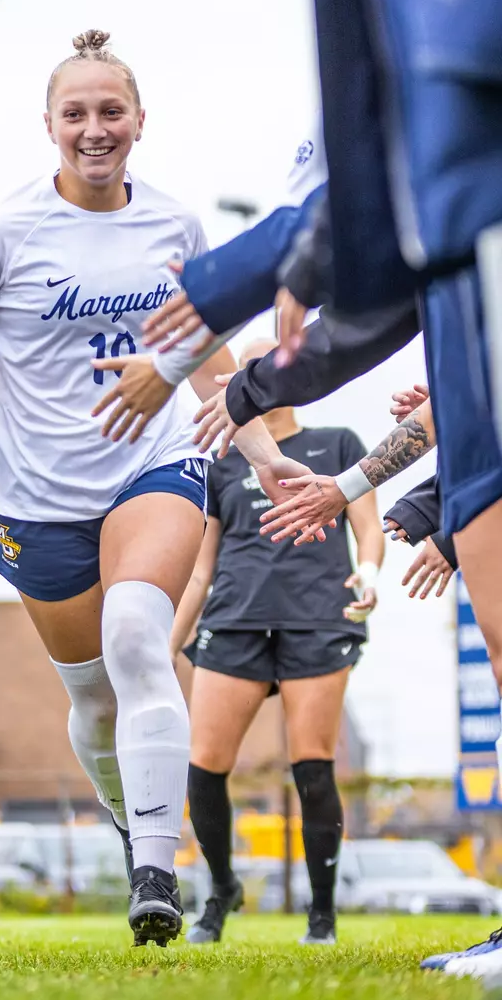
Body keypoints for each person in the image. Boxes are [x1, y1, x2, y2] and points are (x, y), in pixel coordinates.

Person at [0, 29, 308, 946]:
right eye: (75, 113)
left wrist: (264, 451)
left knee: (137, 634)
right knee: (94, 698)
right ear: (48, 126)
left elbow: (204, 352)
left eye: (111, 111)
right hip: (35, 490)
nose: (94, 128)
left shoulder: (175, 226)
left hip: (153, 463)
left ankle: (159, 867)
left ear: (140, 121)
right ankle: (130, 821)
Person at [169, 339, 384, 946]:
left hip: (318, 619)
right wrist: (165, 649)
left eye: (264, 367)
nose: (250, 378)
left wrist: (366, 575)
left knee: (312, 767)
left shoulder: (338, 443)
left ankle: (321, 915)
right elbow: (200, 570)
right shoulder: (222, 464)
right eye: (243, 369)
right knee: (204, 767)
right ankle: (221, 891)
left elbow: (368, 531)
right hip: (234, 619)